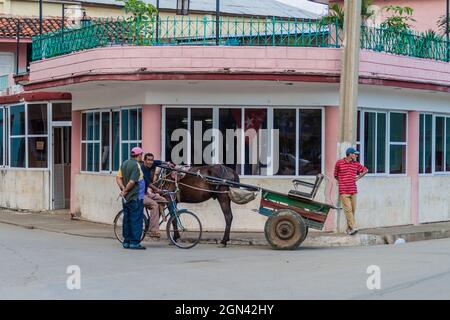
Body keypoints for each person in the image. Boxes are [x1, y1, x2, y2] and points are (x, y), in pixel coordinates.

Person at [116, 147, 146, 250]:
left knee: (127, 219)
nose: (142, 157)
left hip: (126, 198)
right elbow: (132, 182)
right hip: (135, 197)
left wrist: (123, 188)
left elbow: (118, 178)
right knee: (136, 220)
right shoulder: (136, 165)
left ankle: (126, 242)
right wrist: (126, 190)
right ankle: (134, 243)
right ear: (139, 155)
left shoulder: (124, 163)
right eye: (141, 155)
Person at [334, 147, 368, 235]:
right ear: (349, 154)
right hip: (344, 191)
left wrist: (358, 177)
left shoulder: (356, 164)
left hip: (353, 190)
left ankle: (348, 229)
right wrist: (342, 182)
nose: (356, 155)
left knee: (352, 210)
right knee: (348, 210)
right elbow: (335, 175)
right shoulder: (339, 163)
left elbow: (365, 170)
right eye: (354, 154)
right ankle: (353, 228)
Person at [140, 153, 172, 238]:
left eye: (151, 160)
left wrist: (167, 163)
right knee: (155, 205)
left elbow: (158, 162)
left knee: (163, 200)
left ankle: (153, 220)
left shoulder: (151, 164)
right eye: (148, 160)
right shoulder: (142, 169)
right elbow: (148, 183)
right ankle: (153, 231)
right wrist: (157, 190)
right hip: (140, 195)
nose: (150, 162)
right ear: (144, 161)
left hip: (146, 193)